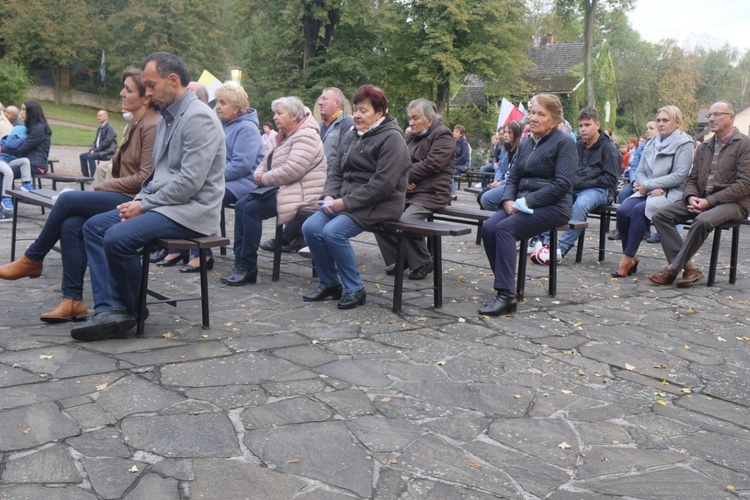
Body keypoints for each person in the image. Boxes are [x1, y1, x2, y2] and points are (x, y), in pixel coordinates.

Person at [70, 51, 226, 342]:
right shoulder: (168, 116)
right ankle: (112, 308)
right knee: (92, 227)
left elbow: (190, 183)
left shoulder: (199, 118)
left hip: (191, 211)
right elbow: (157, 175)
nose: (148, 92)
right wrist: (139, 199)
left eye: (151, 85)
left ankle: (130, 310)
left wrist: (143, 204)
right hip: (166, 204)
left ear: (173, 80)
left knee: (117, 237)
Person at [0, 68, 158, 322]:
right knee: (72, 224)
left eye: (128, 90)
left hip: (134, 200)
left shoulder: (152, 125)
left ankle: (33, 257)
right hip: (121, 193)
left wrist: (104, 186)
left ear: (146, 97)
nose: (121, 93)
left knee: (67, 199)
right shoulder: (135, 124)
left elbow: (145, 178)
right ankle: (72, 299)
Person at [301, 84, 410, 309]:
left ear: (380, 113)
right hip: (348, 201)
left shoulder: (392, 139)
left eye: (364, 111)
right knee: (310, 227)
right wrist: (330, 195)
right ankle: (330, 283)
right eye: (357, 110)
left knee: (333, 232)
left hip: (381, 203)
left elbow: (383, 185)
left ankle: (355, 288)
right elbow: (337, 171)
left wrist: (345, 202)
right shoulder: (352, 134)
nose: (357, 116)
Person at [478, 93, 577, 316]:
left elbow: (562, 184)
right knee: (489, 228)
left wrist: (526, 201)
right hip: (522, 201)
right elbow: (513, 177)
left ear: (554, 121)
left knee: (505, 229)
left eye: (540, 114)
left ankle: (505, 296)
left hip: (555, 206)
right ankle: (506, 285)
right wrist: (509, 199)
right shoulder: (526, 142)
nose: (533, 118)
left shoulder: (565, 144)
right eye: (532, 112)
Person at [158, 81, 265, 273]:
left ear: (237, 107)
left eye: (224, 103)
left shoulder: (247, 128)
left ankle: (203, 254)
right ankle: (179, 247)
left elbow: (241, 165)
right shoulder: (222, 124)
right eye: (217, 102)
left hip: (244, 182)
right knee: (184, 191)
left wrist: (209, 177)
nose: (218, 107)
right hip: (223, 178)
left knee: (204, 196)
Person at [220, 96, 326, 286]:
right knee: (242, 204)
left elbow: (292, 170)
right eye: (274, 113)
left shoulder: (307, 136)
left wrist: (262, 178)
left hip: (303, 191)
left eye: (279, 113)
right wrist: (259, 176)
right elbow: (263, 162)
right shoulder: (282, 136)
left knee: (252, 209)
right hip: (283, 188)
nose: (275, 118)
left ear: (294, 116)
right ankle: (241, 263)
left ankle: (248, 266)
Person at [648, 101, 750, 287]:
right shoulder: (705, 146)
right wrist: (691, 196)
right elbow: (692, 179)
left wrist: (710, 201)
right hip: (702, 198)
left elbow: (745, 184)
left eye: (717, 114)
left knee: (702, 221)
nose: (711, 118)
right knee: (661, 215)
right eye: (709, 115)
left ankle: (672, 270)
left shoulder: (745, 144)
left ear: (731, 117)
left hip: (735, 203)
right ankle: (690, 268)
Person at [261, 87, 354, 255]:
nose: (319, 102)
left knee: (305, 194)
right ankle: (296, 238)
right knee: (297, 189)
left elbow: (345, 157)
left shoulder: (347, 124)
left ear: (337, 103)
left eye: (324, 99)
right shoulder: (320, 126)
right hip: (315, 176)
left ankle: (287, 238)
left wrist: (331, 178)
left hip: (333, 180)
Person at [375, 98, 454, 280]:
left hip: (432, 193)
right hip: (409, 191)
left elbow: (433, 164)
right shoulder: (409, 136)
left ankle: (423, 260)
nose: (411, 123)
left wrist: (405, 176)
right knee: (377, 215)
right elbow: (398, 160)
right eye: (410, 118)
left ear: (429, 119)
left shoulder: (443, 135)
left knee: (405, 220)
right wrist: (404, 178)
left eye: (416, 118)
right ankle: (400, 258)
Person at [529, 107, 619, 264]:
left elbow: (610, 179)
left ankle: (560, 250)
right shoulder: (577, 146)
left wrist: (583, 183)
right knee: (550, 197)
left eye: (587, 125)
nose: (583, 129)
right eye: (581, 125)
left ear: (597, 125)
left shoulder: (608, 148)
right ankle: (542, 243)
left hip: (601, 190)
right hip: (575, 188)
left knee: (581, 203)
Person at [613, 106, 694, 278]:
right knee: (622, 210)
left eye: (666, 120)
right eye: (659, 120)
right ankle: (631, 257)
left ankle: (626, 260)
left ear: (677, 123)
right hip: (649, 190)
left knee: (638, 210)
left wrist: (650, 185)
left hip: (673, 193)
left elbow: (680, 175)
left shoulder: (685, 143)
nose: (661, 124)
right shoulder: (652, 142)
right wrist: (647, 186)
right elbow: (640, 169)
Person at [608, 119, 658, 241]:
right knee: (623, 194)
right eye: (646, 128)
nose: (647, 131)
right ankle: (620, 228)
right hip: (637, 180)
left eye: (651, 128)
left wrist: (645, 184)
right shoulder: (642, 146)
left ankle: (645, 230)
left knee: (644, 201)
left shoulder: (660, 145)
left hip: (652, 183)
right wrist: (634, 181)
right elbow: (634, 165)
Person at [0, 100, 52, 214]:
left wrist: (2, 149)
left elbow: (21, 149)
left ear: (32, 112)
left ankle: (6, 210)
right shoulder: (30, 127)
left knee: (3, 173)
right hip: (27, 163)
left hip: (35, 165)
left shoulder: (39, 128)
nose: (21, 113)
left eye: (24, 110)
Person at [478, 120, 522, 211]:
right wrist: (497, 180)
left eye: (509, 132)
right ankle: (488, 224)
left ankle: (504, 218)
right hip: (503, 181)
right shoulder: (504, 150)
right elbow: (500, 168)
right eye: (504, 132)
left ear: (517, 134)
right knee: (480, 196)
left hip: (513, 185)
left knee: (486, 199)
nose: (505, 135)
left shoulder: (521, 150)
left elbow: (516, 175)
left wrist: (501, 183)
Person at [79, 110, 117, 177]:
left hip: (107, 151)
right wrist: (92, 149)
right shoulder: (100, 127)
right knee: (82, 156)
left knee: (90, 157)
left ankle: (93, 177)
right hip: (99, 150)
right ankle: (85, 176)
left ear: (106, 117)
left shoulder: (110, 128)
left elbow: (106, 143)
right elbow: (96, 140)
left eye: (100, 116)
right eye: (98, 116)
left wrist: (95, 150)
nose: (98, 117)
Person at [451, 125, 470, 199]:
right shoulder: (453, 142)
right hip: (453, 164)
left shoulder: (464, 143)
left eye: (456, 132)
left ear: (461, 134)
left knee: (449, 173)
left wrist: (453, 162)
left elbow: (464, 157)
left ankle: (453, 194)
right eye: (454, 131)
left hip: (462, 165)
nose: (454, 133)